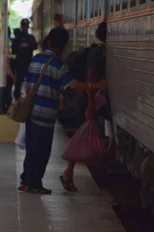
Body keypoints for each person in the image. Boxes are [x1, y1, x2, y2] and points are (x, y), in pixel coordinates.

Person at [19, 27, 106, 195]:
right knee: (42, 151)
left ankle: (25, 181)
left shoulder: (36, 58)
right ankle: (34, 184)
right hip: (45, 115)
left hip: (32, 112)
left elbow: (27, 85)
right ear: (64, 45)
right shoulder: (58, 64)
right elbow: (72, 85)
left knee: (32, 149)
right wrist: (95, 86)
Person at [60, 21, 108, 191]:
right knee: (82, 135)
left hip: (91, 99)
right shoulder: (97, 53)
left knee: (83, 135)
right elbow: (90, 78)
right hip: (88, 100)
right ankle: (68, 172)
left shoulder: (100, 51)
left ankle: (69, 173)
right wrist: (89, 104)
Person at [0, 30, 15, 113]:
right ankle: (6, 110)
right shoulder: (6, 48)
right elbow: (7, 62)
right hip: (5, 74)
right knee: (7, 94)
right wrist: (12, 74)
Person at [13, 18, 37, 100]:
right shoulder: (18, 37)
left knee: (29, 81)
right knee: (18, 81)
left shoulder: (30, 37)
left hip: (28, 62)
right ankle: (17, 97)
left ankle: (29, 97)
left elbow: (35, 46)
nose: (25, 27)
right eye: (23, 25)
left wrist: (28, 46)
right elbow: (13, 49)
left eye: (26, 25)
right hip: (20, 63)